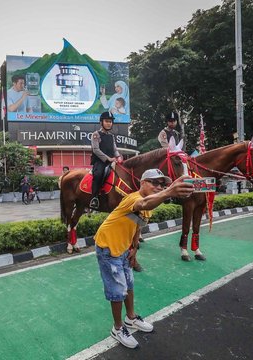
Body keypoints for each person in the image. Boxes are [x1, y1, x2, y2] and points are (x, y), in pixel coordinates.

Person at [94, 169, 194, 348]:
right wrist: (169, 191)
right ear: (142, 183)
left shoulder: (152, 204)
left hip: (125, 248)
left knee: (129, 284)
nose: (158, 187)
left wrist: (134, 249)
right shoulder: (135, 199)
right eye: (153, 183)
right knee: (117, 290)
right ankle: (117, 328)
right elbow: (144, 204)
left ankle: (131, 318)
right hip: (108, 247)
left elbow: (137, 225)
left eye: (161, 184)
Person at [90, 111, 123, 209]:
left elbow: (114, 149)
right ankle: (94, 198)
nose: (109, 123)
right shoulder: (96, 134)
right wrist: (108, 159)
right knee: (98, 174)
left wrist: (118, 156)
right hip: (100, 162)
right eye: (107, 121)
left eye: (110, 121)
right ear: (101, 122)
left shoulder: (111, 136)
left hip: (112, 161)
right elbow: (96, 150)